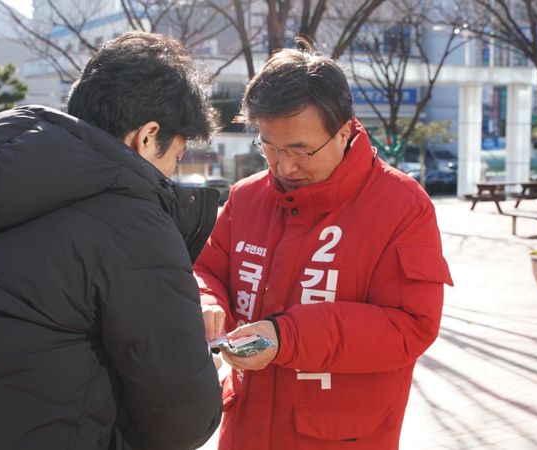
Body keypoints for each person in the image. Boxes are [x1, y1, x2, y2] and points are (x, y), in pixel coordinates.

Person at [0, 31, 222, 450]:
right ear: (146, 136)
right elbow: (183, 421)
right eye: (175, 157)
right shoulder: (134, 221)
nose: (171, 175)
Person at [195, 39, 454, 449]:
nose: (284, 166)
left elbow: (410, 326)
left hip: (341, 435)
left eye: (301, 150)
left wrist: (287, 338)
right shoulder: (247, 197)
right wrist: (208, 303)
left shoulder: (401, 206)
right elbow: (208, 269)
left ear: (345, 130)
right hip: (246, 429)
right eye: (270, 148)